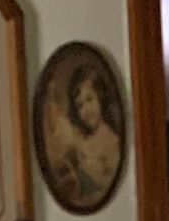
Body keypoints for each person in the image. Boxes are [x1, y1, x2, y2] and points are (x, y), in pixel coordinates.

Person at [47, 61, 122, 209]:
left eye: (89, 99)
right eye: (80, 105)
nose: (86, 111)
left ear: (101, 97)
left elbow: (110, 189)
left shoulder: (111, 141)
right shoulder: (82, 139)